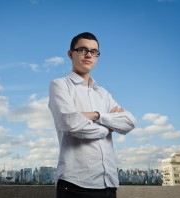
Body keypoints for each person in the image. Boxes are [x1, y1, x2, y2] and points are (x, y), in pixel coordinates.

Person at [48, 32, 136, 198]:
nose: (89, 55)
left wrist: (96, 116)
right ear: (70, 54)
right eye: (82, 50)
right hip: (75, 185)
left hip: (109, 184)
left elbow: (129, 122)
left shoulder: (102, 93)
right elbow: (69, 122)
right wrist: (108, 128)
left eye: (94, 51)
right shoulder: (60, 85)